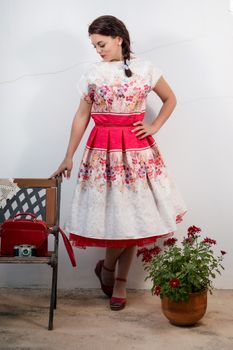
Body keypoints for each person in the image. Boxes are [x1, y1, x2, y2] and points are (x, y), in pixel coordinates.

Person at [49, 15, 187, 311]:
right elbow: (82, 116)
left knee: (135, 216)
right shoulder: (93, 74)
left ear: (118, 39)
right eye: (94, 45)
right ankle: (112, 273)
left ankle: (116, 277)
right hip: (102, 151)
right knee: (118, 217)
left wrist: (154, 126)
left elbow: (171, 99)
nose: (97, 50)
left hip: (137, 151)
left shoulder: (146, 69)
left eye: (101, 44)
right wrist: (68, 155)